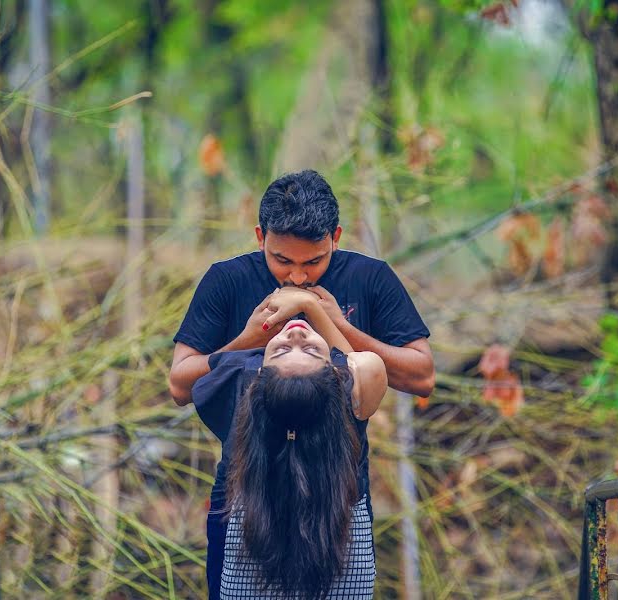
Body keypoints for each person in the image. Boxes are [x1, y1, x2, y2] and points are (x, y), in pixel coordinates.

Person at [169, 169, 434, 597]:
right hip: (243, 494)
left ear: (336, 237)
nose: (297, 276)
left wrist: (328, 319)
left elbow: (421, 375)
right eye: (282, 260)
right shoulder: (227, 280)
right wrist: (249, 340)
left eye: (313, 262)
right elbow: (180, 385)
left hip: (341, 495)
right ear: (260, 237)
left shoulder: (370, 278)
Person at [191, 287, 387, 598]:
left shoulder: (242, 391)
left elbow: (192, 381)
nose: (296, 337)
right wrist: (311, 306)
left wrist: (256, 340)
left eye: (288, 350)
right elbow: (362, 363)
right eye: (305, 351)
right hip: (342, 559)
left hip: (252, 555)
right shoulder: (351, 403)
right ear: (337, 380)